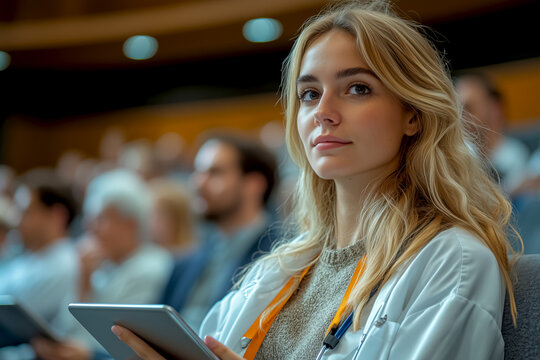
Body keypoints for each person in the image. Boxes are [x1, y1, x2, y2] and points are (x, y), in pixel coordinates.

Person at [115, 1, 517, 359]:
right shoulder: (278, 270)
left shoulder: (453, 261)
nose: (323, 111)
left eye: (357, 88)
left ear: (412, 114)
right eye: (309, 94)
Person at [32, 169, 173, 360]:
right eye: (89, 219)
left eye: (100, 219)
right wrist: (83, 280)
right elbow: (64, 330)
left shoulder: (151, 268)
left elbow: (119, 343)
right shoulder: (100, 265)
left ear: (129, 224)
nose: (91, 228)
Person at [158, 132, 281, 331]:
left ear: (253, 185)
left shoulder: (281, 259)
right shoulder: (185, 263)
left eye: (214, 173)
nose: (198, 183)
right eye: (197, 172)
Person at [0, 169, 79, 357]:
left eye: (26, 212)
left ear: (57, 216)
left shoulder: (64, 266)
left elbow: (8, 323)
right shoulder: (26, 256)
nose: (17, 221)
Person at [455, 72, 530, 194]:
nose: (460, 117)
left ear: (495, 108)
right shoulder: (458, 157)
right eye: (457, 109)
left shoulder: (518, 159)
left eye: (468, 108)